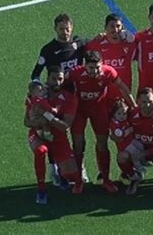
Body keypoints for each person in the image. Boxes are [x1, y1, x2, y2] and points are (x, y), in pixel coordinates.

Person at [66, 50, 136, 194]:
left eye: (97, 67)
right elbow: (61, 86)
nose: (95, 71)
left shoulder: (109, 72)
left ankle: (106, 179)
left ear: (102, 64)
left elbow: (122, 87)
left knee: (102, 143)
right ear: (85, 66)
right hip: (79, 111)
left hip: (99, 110)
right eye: (91, 68)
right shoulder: (75, 73)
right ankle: (78, 181)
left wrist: (134, 107)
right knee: (78, 144)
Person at [30, 13, 87, 184]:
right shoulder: (48, 50)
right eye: (61, 29)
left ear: (72, 27)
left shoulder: (79, 43)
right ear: (55, 29)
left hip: (74, 98)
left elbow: (96, 45)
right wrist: (38, 91)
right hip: (53, 99)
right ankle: (53, 167)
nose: (64, 32)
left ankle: (80, 165)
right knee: (52, 133)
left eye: (67, 28)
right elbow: (35, 74)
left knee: (78, 134)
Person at [24, 66, 83, 204]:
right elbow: (26, 121)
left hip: (58, 136)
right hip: (38, 133)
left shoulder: (70, 98)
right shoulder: (37, 93)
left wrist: (46, 116)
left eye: (60, 79)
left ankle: (60, 174)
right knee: (41, 151)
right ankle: (41, 189)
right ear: (47, 78)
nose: (57, 82)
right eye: (53, 79)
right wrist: (37, 122)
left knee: (72, 175)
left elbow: (64, 126)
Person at [117, 87, 153, 195]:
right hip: (136, 151)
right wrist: (115, 136)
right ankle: (134, 177)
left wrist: (144, 154)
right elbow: (121, 131)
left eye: (150, 102)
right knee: (121, 156)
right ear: (137, 102)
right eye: (143, 102)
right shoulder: (131, 115)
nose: (147, 105)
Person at [108, 99, 145, 173]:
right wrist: (129, 130)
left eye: (124, 113)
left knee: (141, 146)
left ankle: (143, 161)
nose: (122, 116)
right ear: (114, 114)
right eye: (119, 114)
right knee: (135, 152)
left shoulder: (124, 120)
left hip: (130, 140)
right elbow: (120, 135)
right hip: (125, 145)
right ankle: (138, 167)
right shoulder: (114, 124)